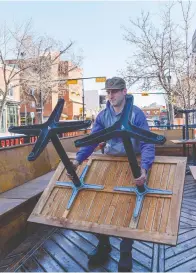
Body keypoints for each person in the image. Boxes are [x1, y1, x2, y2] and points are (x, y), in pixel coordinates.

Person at [69, 77, 155, 272]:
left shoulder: (136, 114)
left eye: (115, 91)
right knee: (102, 206)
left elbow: (147, 142)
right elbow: (93, 140)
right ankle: (103, 245)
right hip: (108, 163)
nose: (111, 95)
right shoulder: (102, 116)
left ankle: (126, 252)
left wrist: (144, 168)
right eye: (108, 92)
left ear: (124, 92)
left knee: (127, 209)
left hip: (130, 164)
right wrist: (77, 161)